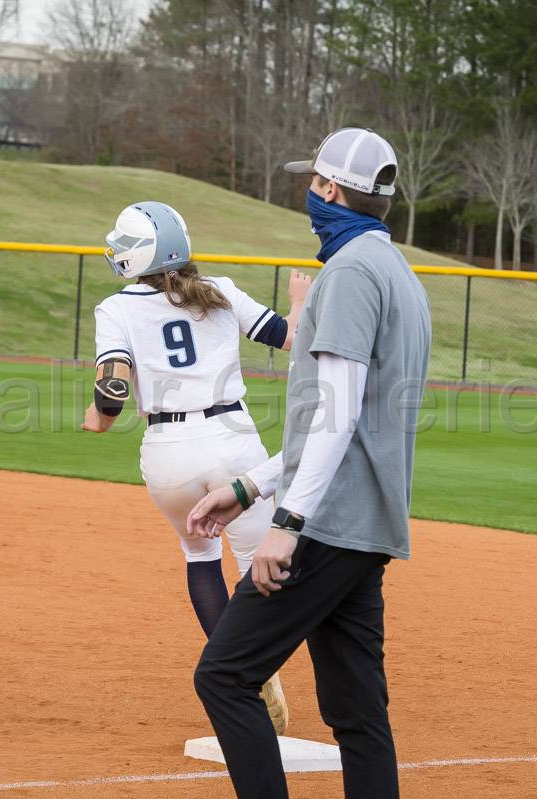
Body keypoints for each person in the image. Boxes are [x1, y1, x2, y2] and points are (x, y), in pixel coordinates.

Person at [186, 128, 432, 798]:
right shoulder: (398, 272)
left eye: (315, 184)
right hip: (364, 524)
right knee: (357, 713)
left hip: (325, 523)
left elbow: (337, 410)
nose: (310, 196)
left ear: (329, 189)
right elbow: (341, 420)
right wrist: (250, 484)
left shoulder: (350, 272)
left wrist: (286, 520)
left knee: (224, 675)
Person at [82, 201, 311, 733]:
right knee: (263, 559)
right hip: (233, 440)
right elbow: (290, 339)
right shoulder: (221, 289)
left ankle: (237, 672)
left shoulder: (115, 307)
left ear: (137, 255)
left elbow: (111, 389)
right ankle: (258, 661)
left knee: (199, 553)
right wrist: (297, 302)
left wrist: (99, 417)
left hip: (167, 450)